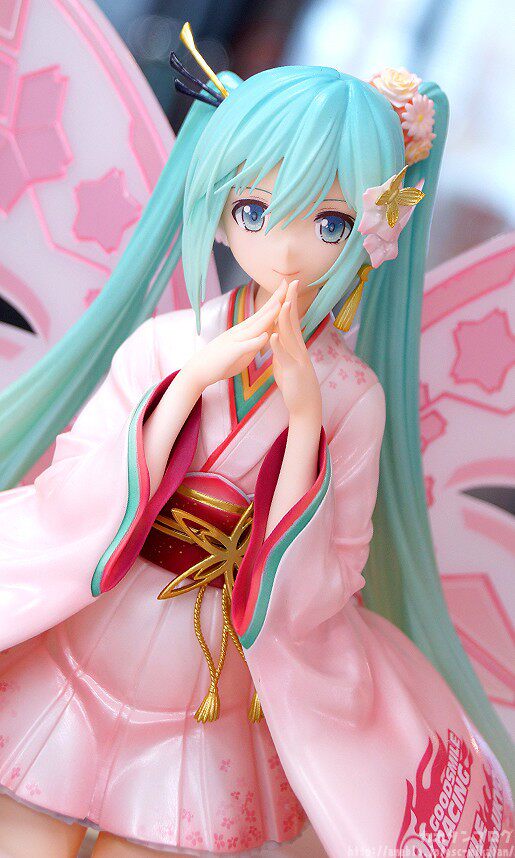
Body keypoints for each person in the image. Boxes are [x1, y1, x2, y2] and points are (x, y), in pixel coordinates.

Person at [0, 28, 512, 858]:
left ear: (373, 230)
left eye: (330, 222)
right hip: (96, 635)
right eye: (255, 211)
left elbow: (334, 577)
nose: (287, 246)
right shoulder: (168, 345)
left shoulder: (349, 397)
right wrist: (187, 386)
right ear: (220, 208)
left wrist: (305, 426)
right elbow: (71, 486)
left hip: (210, 683)